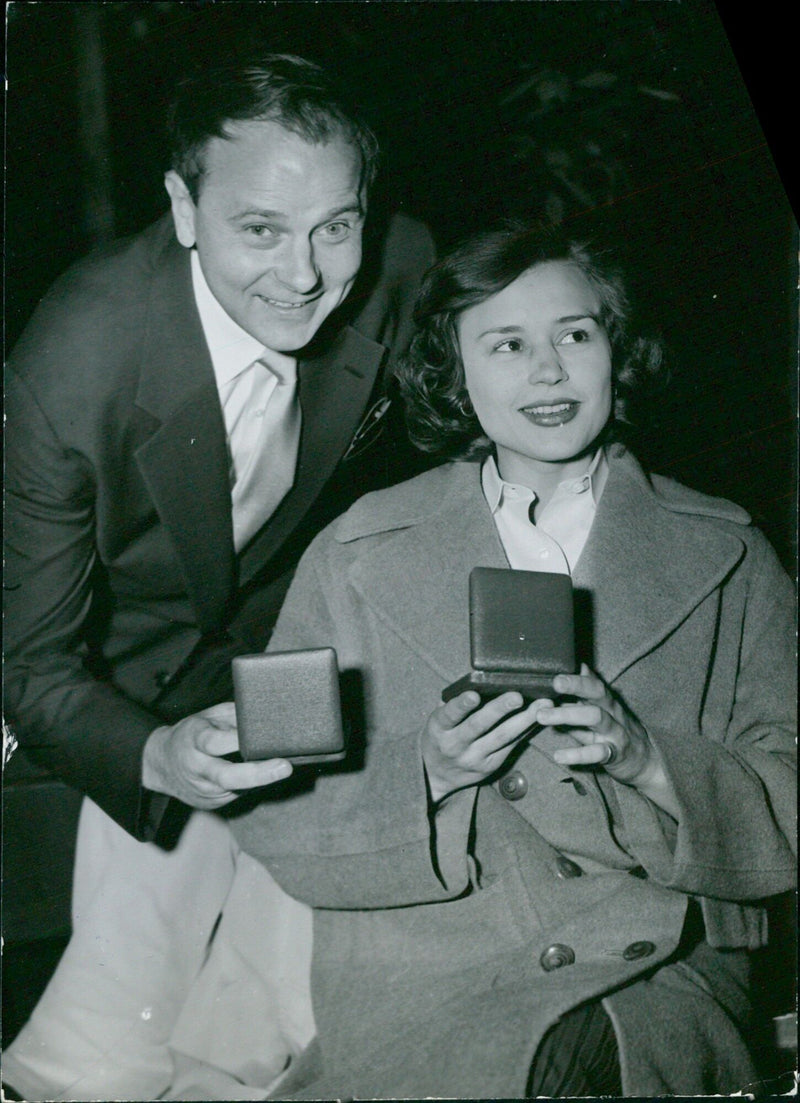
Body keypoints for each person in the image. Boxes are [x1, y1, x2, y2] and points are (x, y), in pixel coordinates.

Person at [212, 223, 796, 1098]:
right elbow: (273, 807)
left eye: (575, 334)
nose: (548, 370)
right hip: (425, 974)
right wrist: (428, 770)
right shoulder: (355, 550)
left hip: (656, 972)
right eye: (507, 344)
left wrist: (649, 761)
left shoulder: (730, 552)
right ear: (456, 370)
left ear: (616, 351)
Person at [2, 53, 435, 1100]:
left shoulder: (399, 262)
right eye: (260, 229)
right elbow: (31, 662)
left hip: (285, 625)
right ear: (182, 208)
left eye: (335, 224)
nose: (304, 274)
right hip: (116, 653)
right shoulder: (72, 365)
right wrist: (153, 753)